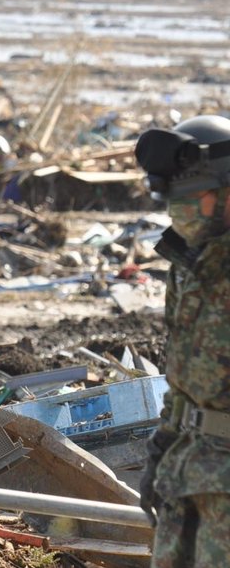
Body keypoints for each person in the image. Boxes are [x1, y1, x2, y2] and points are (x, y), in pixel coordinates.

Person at [133, 114, 230, 568]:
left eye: (194, 197)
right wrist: (159, 451)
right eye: (173, 199)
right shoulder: (185, 268)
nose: (181, 211)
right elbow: (182, 382)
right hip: (184, 473)